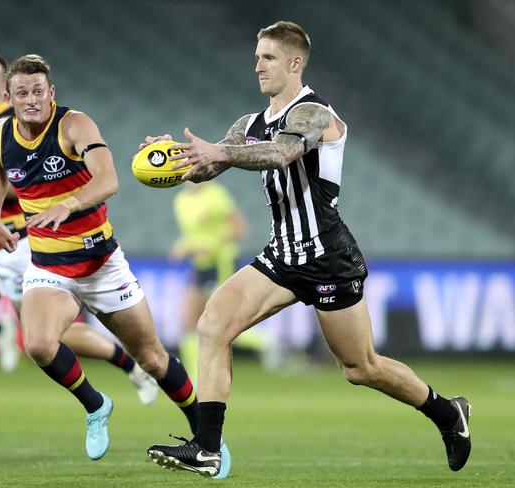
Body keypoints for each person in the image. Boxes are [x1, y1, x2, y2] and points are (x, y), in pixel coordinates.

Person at [147, 21, 471, 477]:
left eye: (268, 57)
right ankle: (206, 446)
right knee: (213, 325)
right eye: (257, 56)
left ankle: (446, 412)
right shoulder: (249, 123)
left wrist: (219, 153)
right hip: (282, 255)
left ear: (295, 63)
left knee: (360, 367)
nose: (257, 65)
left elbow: (281, 154)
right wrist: (169, 159)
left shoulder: (315, 113)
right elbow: (208, 168)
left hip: (327, 256)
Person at [0, 54, 230, 475]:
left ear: (51, 93)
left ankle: (207, 440)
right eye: (21, 93)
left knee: (152, 359)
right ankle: (96, 405)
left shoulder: (74, 125)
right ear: (8, 97)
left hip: (101, 265)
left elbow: (109, 179)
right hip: (49, 267)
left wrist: (68, 204)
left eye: (39, 91)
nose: (31, 100)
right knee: (38, 344)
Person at [0, 54, 157, 455]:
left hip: (27, 243)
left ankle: (132, 366)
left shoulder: (22, 121)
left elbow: (37, 180)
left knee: (46, 336)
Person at [172, 181, 275, 378]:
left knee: (222, 321)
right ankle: (195, 378)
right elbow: (192, 235)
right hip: (201, 265)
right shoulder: (181, 200)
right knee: (188, 321)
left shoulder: (216, 195)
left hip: (222, 263)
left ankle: (269, 344)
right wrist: (183, 245)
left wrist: (210, 245)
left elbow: (239, 228)